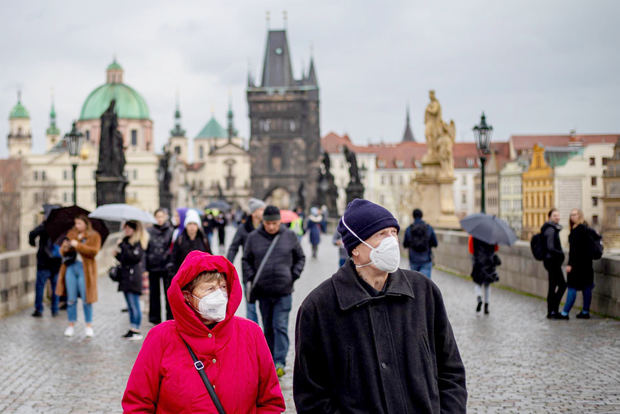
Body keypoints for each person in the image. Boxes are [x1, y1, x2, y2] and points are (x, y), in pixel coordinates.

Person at [294, 199, 467, 413]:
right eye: (381, 234)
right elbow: (311, 396)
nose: (392, 241)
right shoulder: (318, 308)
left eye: (393, 232)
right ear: (355, 248)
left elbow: (451, 370)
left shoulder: (424, 292)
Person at [122, 251, 286, 412]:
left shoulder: (251, 333)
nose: (219, 295)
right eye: (209, 289)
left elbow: (270, 401)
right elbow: (137, 404)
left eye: (222, 287)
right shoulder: (160, 337)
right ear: (187, 296)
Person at [242, 205, 306, 377]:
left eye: (275, 223)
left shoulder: (289, 236)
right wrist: (251, 278)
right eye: (268, 223)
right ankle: (269, 359)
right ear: (263, 222)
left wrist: (292, 276)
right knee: (268, 327)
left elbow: (300, 257)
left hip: (283, 290)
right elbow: (246, 260)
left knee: (280, 325)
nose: (271, 227)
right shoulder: (253, 238)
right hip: (263, 291)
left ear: (280, 222)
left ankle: (280, 361)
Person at [56, 215, 102, 337]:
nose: (77, 226)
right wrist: (67, 246)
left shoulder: (94, 236)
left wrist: (78, 246)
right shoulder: (71, 234)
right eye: (76, 223)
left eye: (79, 224)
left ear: (86, 224)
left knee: (87, 298)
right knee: (71, 298)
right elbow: (61, 251)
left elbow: (94, 252)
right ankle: (71, 324)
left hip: (85, 269)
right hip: (71, 267)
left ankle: (88, 325)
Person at [226, 198, 265, 323]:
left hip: (265, 271)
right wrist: (227, 266)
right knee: (251, 308)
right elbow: (233, 248)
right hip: (249, 272)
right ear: (253, 213)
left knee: (265, 308)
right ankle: (254, 335)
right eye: (261, 209)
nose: (264, 212)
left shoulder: (267, 227)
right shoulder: (243, 229)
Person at [559, 209, 596, 320]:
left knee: (572, 288)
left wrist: (570, 264)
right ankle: (585, 312)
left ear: (580, 216)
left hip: (577, 265)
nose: (573, 217)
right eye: (571, 215)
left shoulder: (576, 230)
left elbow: (574, 251)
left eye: (575, 214)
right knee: (587, 287)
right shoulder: (587, 229)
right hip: (587, 264)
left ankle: (565, 313)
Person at [116, 221, 149, 340]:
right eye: (126, 228)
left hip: (133, 276)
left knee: (134, 303)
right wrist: (117, 255)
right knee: (129, 305)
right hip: (125, 276)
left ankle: (137, 329)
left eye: (129, 229)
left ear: (134, 230)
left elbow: (134, 257)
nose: (127, 231)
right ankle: (132, 328)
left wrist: (122, 246)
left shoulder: (137, 243)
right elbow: (124, 259)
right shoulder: (126, 241)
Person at [29, 204, 62, 317]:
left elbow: (32, 234)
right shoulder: (60, 228)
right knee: (55, 288)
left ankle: (39, 309)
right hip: (56, 263)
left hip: (43, 262)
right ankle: (55, 309)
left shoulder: (44, 226)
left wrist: (33, 244)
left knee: (40, 287)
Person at [146, 208, 174, 324]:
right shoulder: (149, 231)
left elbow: (172, 248)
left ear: (166, 217)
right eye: (157, 217)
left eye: (161, 216)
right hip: (153, 265)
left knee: (169, 294)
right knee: (154, 294)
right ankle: (155, 318)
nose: (159, 219)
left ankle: (170, 318)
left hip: (166, 266)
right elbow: (146, 248)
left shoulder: (171, 231)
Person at [169, 209, 211, 277]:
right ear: (186, 225)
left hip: (200, 275)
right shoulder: (180, 239)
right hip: (183, 275)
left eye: (194, 224)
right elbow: (173, 258)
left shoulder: (204, 239)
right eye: (190, 224)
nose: (192, 226)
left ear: (198, 226)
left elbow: (209, 256)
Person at [542, 208, 567, 319]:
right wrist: (561, 253)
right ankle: (553, 311)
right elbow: (550, 247)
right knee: (561, 285)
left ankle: (552, 311)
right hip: (552, 261)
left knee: (554, 285)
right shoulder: (551, 230)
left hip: (551, 261)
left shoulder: (550, 228)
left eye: (558, 215)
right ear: (550, 217)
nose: (557, 217)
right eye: (554, 216)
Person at [403, 208, 438, 278]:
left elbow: (405, 244)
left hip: (413, 259)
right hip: (426, 260)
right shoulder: (429, 228)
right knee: (425, 283)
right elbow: (435, 243)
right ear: (422, 216)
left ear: (413, 216)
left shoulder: (409, 229)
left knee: (415, 283)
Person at [469, 236, 499, 314]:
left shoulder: (474, 235)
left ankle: (479, 297)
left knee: (477, 282)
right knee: (487, 285)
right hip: (489, 263)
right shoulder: (492, 235)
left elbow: (471, 249)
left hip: (478, 262)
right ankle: (486, 306)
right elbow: (496, 248)